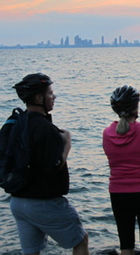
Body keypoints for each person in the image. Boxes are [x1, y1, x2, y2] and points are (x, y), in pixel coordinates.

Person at [9, 73, 89, 255]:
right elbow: (53, 166)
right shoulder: (45, 128)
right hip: (43, 203)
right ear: (39, 98)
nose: (54, 97)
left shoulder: (17, 123)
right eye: (50, 93)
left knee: (31, 251)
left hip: (18, 202)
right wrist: (67, 143)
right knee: (81, 240)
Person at [103, 85, 140, 255]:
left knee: (126, 245)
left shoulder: (107, 134)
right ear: (136, 107)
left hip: (118, 193)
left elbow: (113, 160)